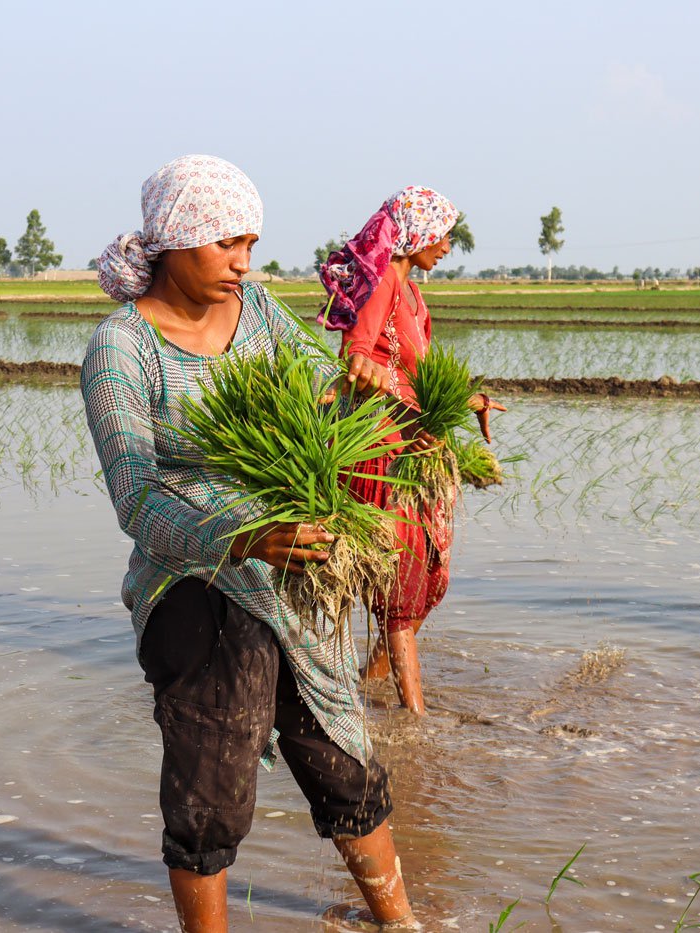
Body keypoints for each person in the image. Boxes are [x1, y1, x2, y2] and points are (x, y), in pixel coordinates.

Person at [81, 154, 420, 932]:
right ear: (174, 242)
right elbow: (136, 498)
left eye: (250, 245)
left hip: (288, 564)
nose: (243, 263)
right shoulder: (121, 349)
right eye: (225, 244)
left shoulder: (260, 312)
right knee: (213, 782)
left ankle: (400, 922)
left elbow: (319, 386)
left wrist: (356, 386)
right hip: (192, 580)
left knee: (340, 751)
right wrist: (244, 536)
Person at [319, 186, 505, 715]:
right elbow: (357, 361)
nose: (448, 245)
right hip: (382, 449)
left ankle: (369, 683)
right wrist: (403, 412)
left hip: (415, 446)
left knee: (427, 576)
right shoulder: (382, 286)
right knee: (403, 583)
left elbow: (413, 373)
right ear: (417, 234)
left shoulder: (413, 294)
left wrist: (469, 400)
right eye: (442, 235)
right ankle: (417, 720)